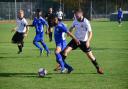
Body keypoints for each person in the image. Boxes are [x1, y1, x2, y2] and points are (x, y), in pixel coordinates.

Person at [60, 8, 104, 74]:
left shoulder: (86, 22)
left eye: (76, 15)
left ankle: (98, 68)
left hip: (84, 42)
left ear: (81, 14)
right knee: (65, 51)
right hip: (75, 40)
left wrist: (88, 41)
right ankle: (62, 65)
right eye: (75, 15)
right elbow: (72, 27)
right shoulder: (75, 20)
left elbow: (90, 32)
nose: (75, 16)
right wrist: (69, 32)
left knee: (90, 56)